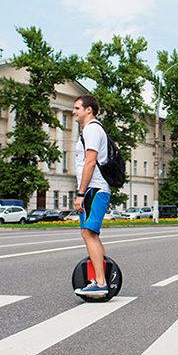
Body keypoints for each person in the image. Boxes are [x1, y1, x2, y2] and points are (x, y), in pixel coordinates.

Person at [72, 94, 112, 297]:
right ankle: (102, 275)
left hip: (95, 189)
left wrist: (80, 193)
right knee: (89, 234)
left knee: (89, 233)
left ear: (89, 110)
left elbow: (90, 162)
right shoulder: (88, 131)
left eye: (77, 108)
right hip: (91, 189)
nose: (74, 111)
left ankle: (101, 282)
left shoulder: (93, 130)